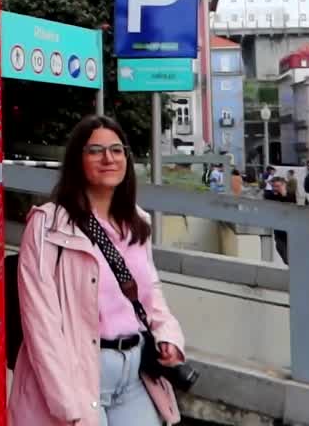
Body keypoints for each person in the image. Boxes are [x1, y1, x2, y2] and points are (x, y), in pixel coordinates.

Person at [10, 115, 186, 426]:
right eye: (95, 151)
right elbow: (41, 323)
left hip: (135, 375)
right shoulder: (48, 225)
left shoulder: (137, 221)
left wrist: (168, 336)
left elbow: (150, 294)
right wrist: (67, 404)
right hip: (77, 378)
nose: (108, 158)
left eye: (117, 150)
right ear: (78, 160)